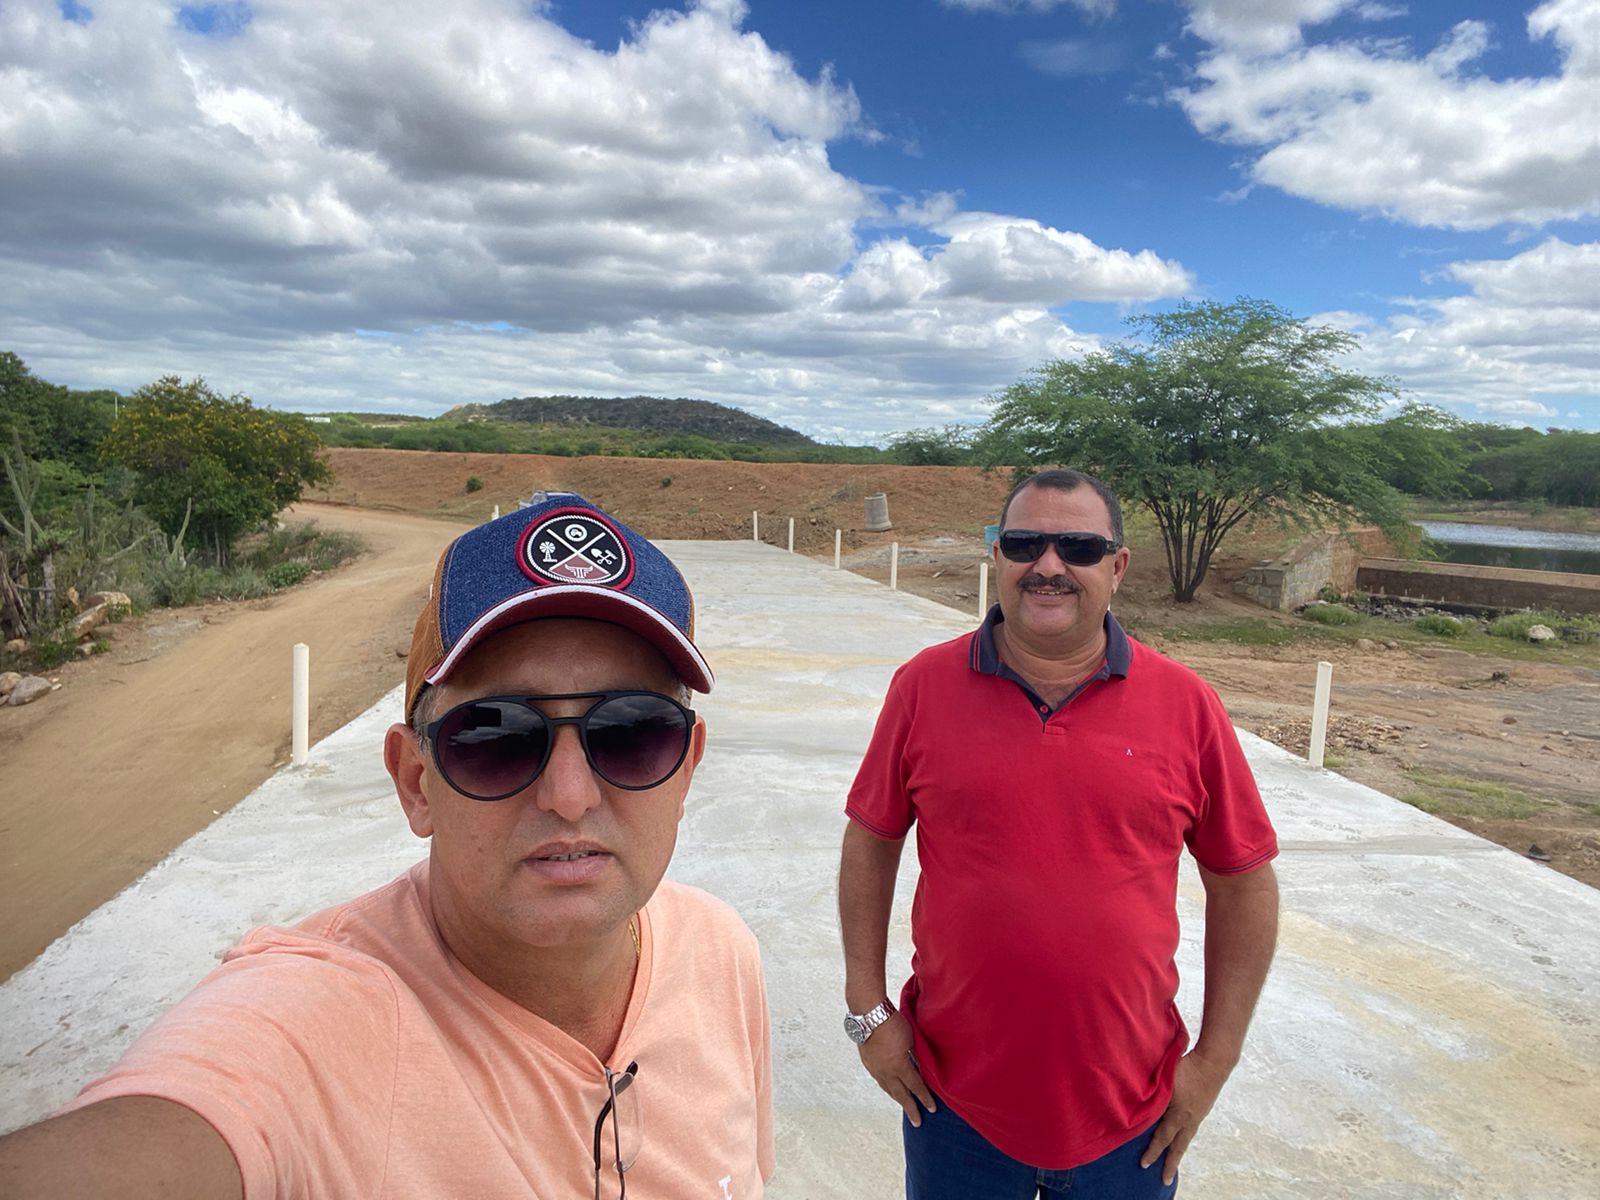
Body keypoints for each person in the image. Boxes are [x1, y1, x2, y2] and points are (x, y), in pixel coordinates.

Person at [0, 492, 774, 1199]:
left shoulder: (721, 953)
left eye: (632, 732)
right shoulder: (314, 1029)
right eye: (496, 737)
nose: (569, 796)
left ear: (687, 767)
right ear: (414, 781)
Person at [838, 468, 1279, 1199]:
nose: (1047, 566)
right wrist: (868, 1013)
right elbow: (871, 842)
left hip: (1133, 1117)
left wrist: (1215, 1062)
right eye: (1023, 544)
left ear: (1117, 566)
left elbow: (1244, 882)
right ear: (997, 557)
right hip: (953, 1108)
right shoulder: (923, 686)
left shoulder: (1186, 704)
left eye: (1076, 546)